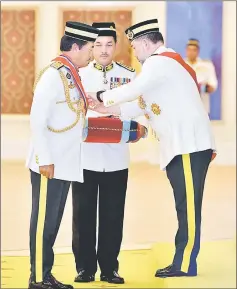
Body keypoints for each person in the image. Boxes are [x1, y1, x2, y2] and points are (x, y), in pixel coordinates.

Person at [87, 18, 216, 278]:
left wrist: (102, 96)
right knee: (184, 205)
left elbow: (135, 89)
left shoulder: (160, 61)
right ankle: (182, 260)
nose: (134, 51)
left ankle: (185, 263)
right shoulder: (164, 64)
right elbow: (141, 104)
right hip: (181, 146)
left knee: (188, 206)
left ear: (145, 43)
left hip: (188, 145)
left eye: (134, 46)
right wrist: (106, 109)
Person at [71, 22, 148, 285]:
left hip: (116, 157)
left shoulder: (129, 75)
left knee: (113, 214)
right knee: (83, 214)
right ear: (91, 47)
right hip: (85, 156)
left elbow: (140, 104)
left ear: (116, 46)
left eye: (109, 45)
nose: (104, 50)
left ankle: (109, 268)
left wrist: (137, 125)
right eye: (98, 45)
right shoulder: (78, 75)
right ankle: (84, 268)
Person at [25, 21, 99, 289]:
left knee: (52, 222)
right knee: (44, 221)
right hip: (50, 163)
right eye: (90, 48)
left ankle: (45, 274)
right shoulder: (53, 75)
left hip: (64, 162)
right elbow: (37, 119)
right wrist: (44, 159)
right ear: (76, 47)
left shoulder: (70, 73)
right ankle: (38, 278)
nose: (92, 53)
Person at [185, 38, 218, 115]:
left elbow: (213, 85)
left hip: (202, 108)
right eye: (189, 50)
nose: (191, 52)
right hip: (184, 108)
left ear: (198, 51)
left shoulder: (207, 65)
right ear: (186, 50)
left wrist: (203, 87)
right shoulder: (180, 65)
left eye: (194, 50)